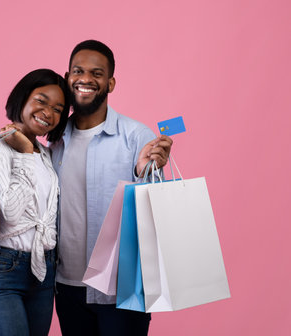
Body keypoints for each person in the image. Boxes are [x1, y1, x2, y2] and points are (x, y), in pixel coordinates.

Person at [50, 40, 173, 335]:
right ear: (67, 78)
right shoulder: (54, 139)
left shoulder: (136, 135)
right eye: (78, 71)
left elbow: (154, 205)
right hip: (67, 287)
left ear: (110, 83)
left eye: (97, 73)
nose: (86, 79)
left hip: (123, 287)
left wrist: (147, 169)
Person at [0, 69, 70, 336]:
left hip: (44, 273)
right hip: (4, 271)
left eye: (58, 108)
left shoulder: (47, 155)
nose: (48, 112)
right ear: (23, 99)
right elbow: (11, 214)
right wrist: (25, 153)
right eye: (41, 100)